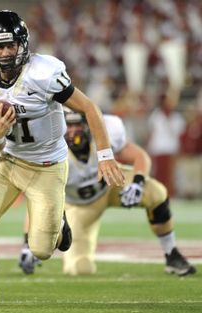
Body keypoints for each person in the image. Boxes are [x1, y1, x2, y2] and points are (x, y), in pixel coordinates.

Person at [0, 10, 125, 307]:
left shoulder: (44, 73)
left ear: (23, 45)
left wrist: (106, 156)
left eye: (11, 46)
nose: (5, 53)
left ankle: (60, 221)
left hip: (47, 167)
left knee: (42, 250)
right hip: (8, 162)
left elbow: (90, 109)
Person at [19, 108, 196, 277]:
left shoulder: (105, 131)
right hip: (80, 208)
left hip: (112, 184)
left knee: (156, 192)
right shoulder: (52, 149)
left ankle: (172, 254)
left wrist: (137, 183)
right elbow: (38, 200)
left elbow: (139, 156)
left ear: (89, 125)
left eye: (78, 125)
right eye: (69, 125)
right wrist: (28, 243)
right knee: (80, 268)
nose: (73, 131)